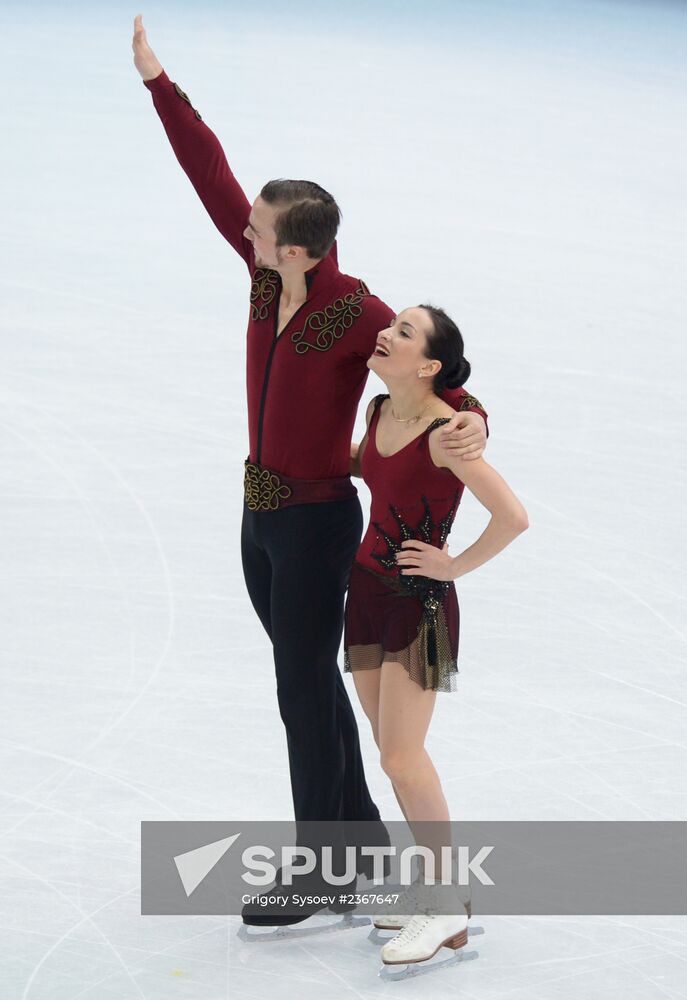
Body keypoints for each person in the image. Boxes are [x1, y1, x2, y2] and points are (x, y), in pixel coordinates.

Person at [132, 16, 491, 927]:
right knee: (308, 680)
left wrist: (473, 420)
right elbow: (210, 178)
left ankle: (326, 866)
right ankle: (358, 839)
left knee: (300, 689)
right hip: (258, 518)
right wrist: (161, 86)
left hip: (317, 524)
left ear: (299, 248)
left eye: (258, 230)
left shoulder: (356, 311)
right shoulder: (266, 280)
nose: (244, 232)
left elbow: (435, 373)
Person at [345, 304, 528, 968]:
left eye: (403, 331)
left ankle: (446, 900)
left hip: (417, 606)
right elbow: (365, 466)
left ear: (428, 366)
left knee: (402, 758)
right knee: (391, 751)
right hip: (366, 595)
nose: (385, 333)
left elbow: (512, 516)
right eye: (391, 323)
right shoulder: (379, 412)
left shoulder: (447, 433)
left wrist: (453, 565)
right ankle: (435, 891)